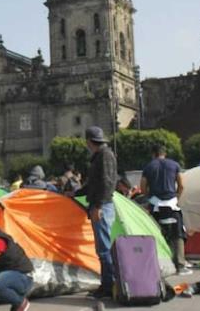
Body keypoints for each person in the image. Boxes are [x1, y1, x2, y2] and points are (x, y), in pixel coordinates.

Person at [76, 126, 117, 298]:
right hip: (101, 204)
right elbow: (95, 184)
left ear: (89, 141)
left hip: (102, 206)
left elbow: (107, 182)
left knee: (104, 249)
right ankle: (107, 284)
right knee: (103, 247)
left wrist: (98, 206)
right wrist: (76, 193)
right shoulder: (100, 155)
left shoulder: (104, 156)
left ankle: (108, 286)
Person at [140, 145, 191, 275]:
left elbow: (143, 186)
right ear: (164, 153)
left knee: (155, 233)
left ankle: (157, 263)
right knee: (178, 233)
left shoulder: (149, 167)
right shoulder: (174, 165)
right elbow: (181, 185)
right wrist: (177, 197)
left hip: (155, 204)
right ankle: (180, 264)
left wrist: (148, 197)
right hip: (172, 203)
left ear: (153, 154)